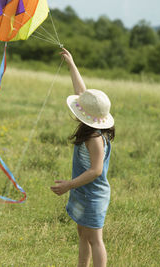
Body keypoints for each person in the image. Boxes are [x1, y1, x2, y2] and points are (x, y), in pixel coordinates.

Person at [50, 48, 115, 267]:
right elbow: (81, 91)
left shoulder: (95, 138)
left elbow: (96, 170)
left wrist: (69, 184)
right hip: (82, 191)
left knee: (95, 239)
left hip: (93, 195)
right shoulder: (90, 126)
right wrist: (71, 64)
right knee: (82, 232)